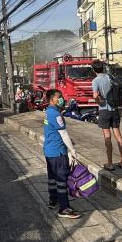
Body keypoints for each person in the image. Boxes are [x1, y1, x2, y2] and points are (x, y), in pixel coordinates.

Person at [43, 89, 82, 219]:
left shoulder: (48, 112)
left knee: (52, 178)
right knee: (61, 180)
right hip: (58, 151)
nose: (62, 99)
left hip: (49, 151)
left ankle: (53, 201)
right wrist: (72, 150)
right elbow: (63, 134)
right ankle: (64, 208)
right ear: (52, 100)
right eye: (59, 97)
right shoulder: (56, 114)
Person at [91, 60, 122, 171]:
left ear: (94, 70)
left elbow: (95, 95)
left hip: (104, 110)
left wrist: (99, 102)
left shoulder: (96, 80)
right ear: (103, 68)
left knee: (107, 136)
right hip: (115, 109)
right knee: (118, 135)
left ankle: (110, 163)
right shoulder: (110, 77)